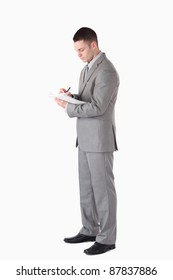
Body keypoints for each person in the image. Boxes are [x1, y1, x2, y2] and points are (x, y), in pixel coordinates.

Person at [55, 27, 120, 255]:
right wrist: (71, 97)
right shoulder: (86, 70)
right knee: (87, 190)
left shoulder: (107, 71)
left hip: (100, 140)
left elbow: (98, 107)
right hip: (83, 139)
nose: (79, 54)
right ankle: (90, 228)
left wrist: (69, 107)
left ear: (94, 45)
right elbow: (87, 99)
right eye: (76, 50)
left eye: (81, 49)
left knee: (103, 191)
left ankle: (107, 238)